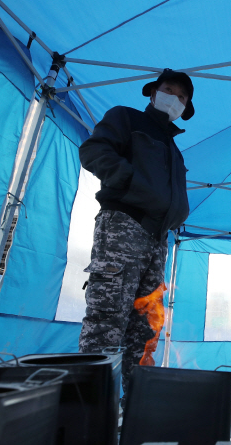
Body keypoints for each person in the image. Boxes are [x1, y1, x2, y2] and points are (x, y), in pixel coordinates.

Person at [78, 69, 193, 404]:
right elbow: (94, 151)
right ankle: (90, 410)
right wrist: (128, 181)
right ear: (153, 93)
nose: (175, 98)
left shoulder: (175, 151)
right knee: (107, 317)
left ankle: (136, 411)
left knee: (145, 327)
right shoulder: (126, 119)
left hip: (158, 240)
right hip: (124, 225)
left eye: (182, 97)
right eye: (169, 90)